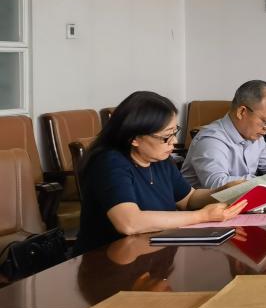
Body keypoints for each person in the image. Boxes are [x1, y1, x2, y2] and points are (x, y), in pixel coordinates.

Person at [77, 91, 248, 253]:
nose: (173, 141)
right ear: (134, 138)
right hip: (108, 260)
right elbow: (129, 222)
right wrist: (203, 216)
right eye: (166, 137)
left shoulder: (159, 159)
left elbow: (188, 199)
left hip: (152, 253)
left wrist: (227, 190)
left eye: (175, 132)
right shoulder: (109, 163)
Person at [181, 79, 266, 190]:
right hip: (203, 209)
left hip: (239, 206)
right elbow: (217, 184)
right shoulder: (211, 140)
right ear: (242, 112)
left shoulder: (255, 137)